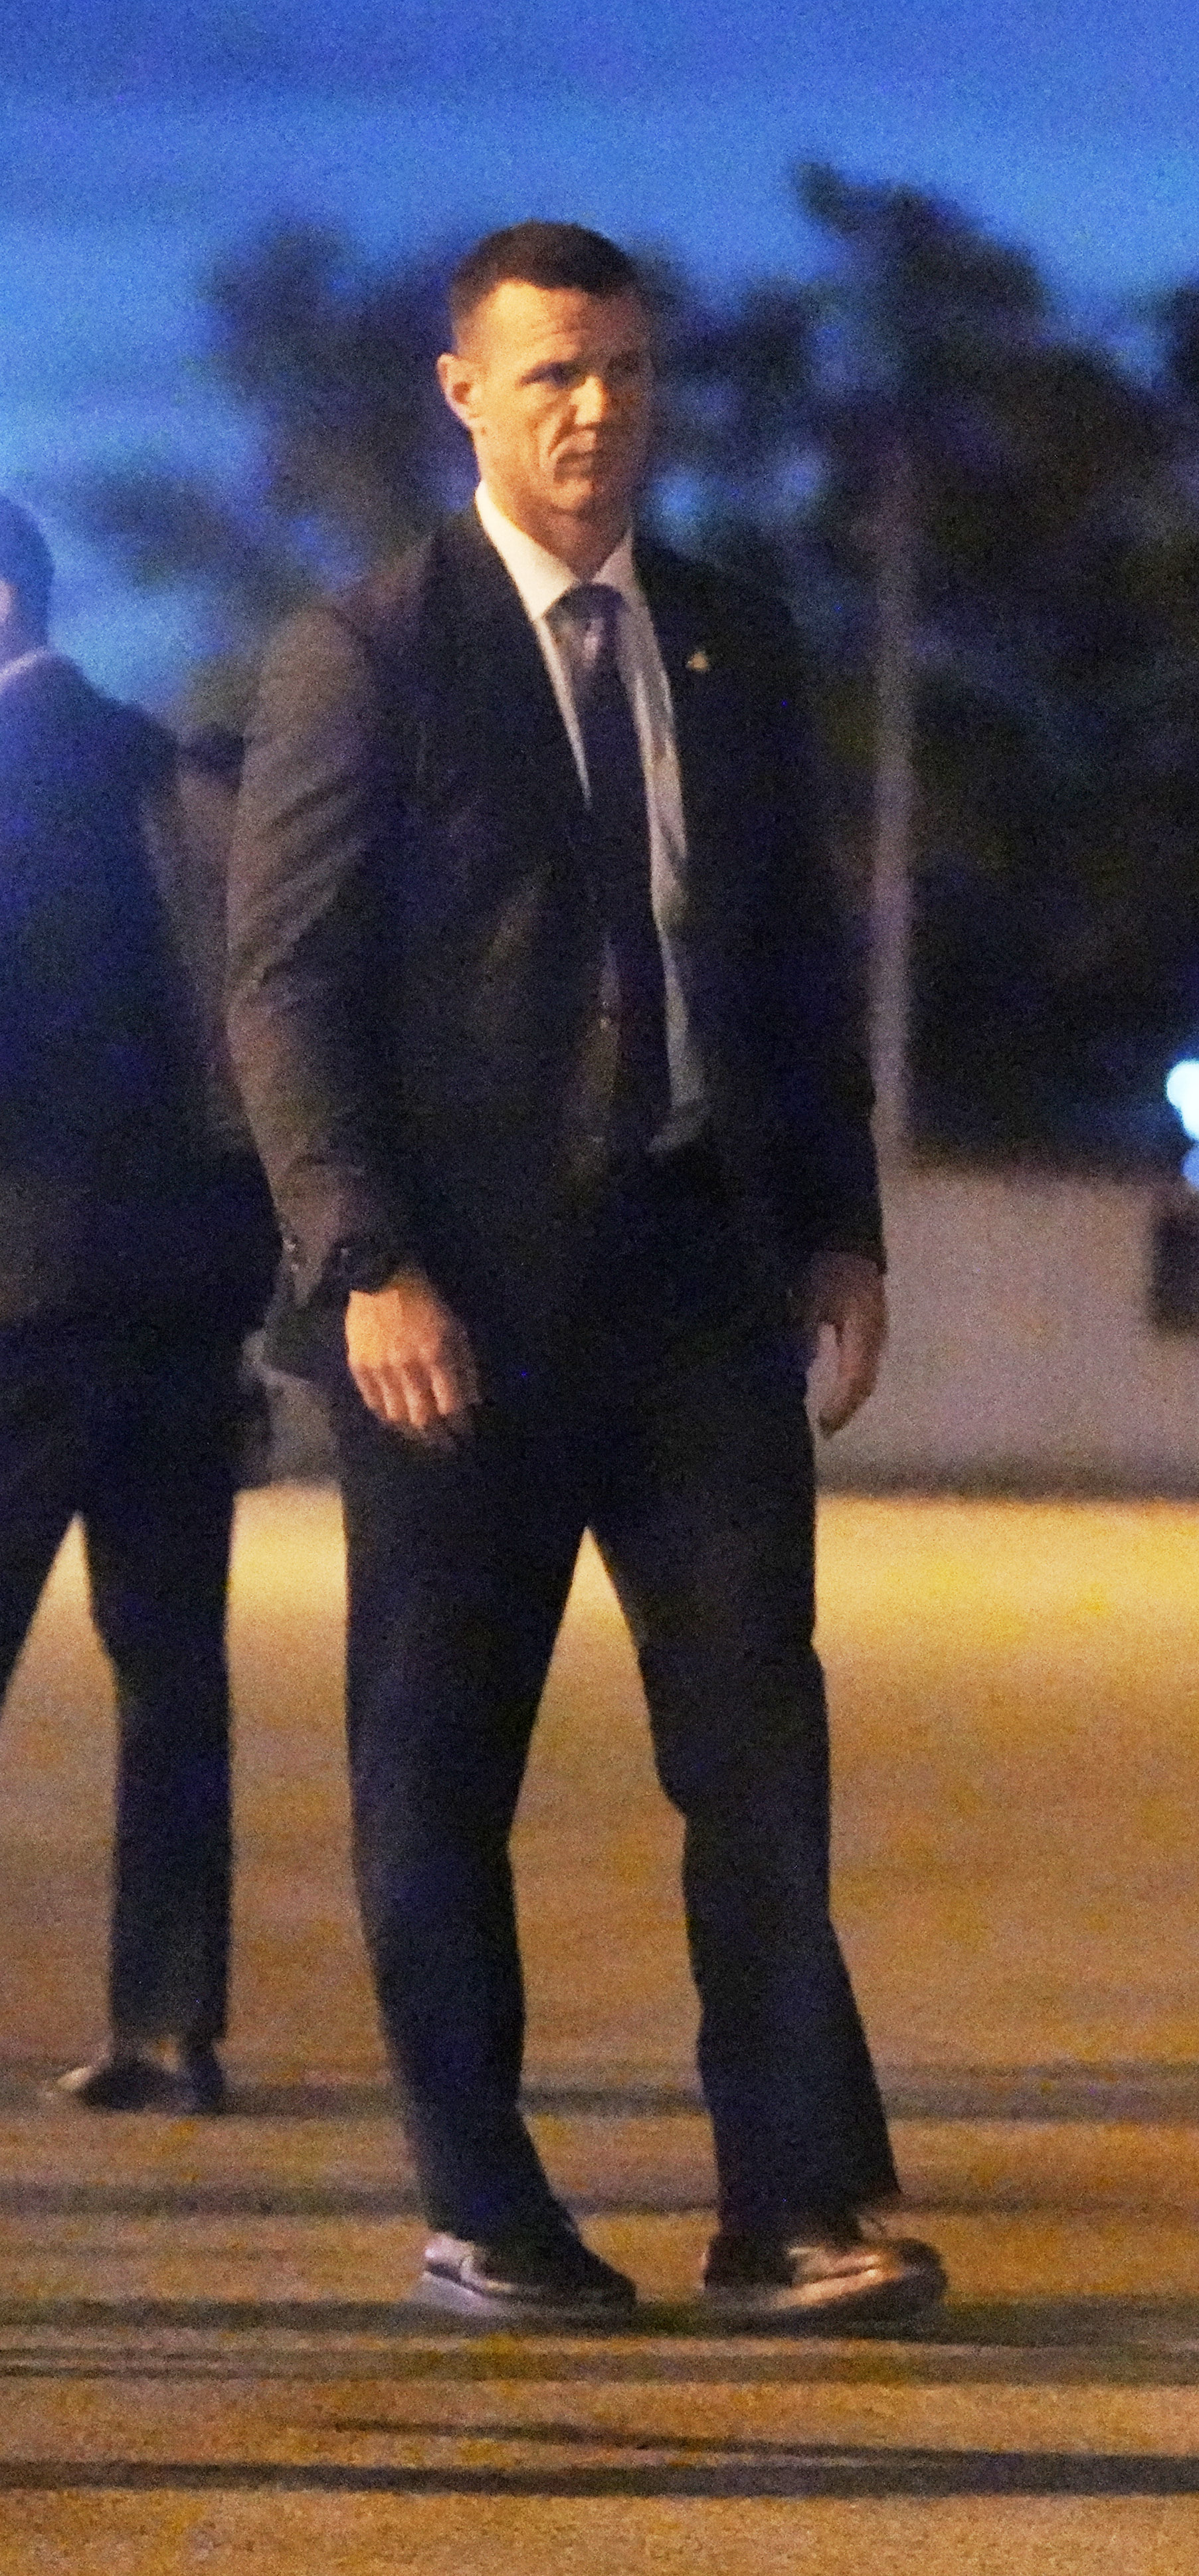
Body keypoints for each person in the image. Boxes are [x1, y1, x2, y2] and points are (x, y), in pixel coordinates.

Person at [227, 223, 928, 2332]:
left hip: (696, 1283)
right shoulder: (367, 650)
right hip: (454, 1314)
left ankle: (788, 2208)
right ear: (464, 391)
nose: (594, 408)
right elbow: (286, 992)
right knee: (440, 1767)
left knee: (755, 1755)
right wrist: (365, 1260)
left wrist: (839, 1229)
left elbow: (793, 965)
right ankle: (487, 2205)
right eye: (549, 374)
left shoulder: (731, 638)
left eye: (624, 368)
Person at [0, 493, 275, 2116]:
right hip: (186, 1287)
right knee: (172, 1665)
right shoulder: (171, 768)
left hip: (28, 1295)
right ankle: (168, 2022)